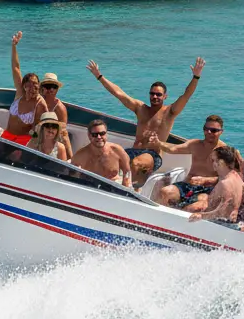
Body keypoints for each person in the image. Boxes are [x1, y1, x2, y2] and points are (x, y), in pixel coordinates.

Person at [86, 56, 206, 188]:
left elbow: (186, 95)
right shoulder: (140, 109)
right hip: (133, 151)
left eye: (158, 95)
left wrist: (196, 77)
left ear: (165, 96)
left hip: (152, 156)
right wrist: (99, 76)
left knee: (136, 164)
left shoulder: (170, 112)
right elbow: (118, 93)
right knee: (105, 158)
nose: (155, 97)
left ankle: (132, 190)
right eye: (152, 93)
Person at [151, 114, 227, 211]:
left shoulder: (224, 151)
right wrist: (158, 143)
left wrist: (206, 180)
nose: (208, 132)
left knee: (196, 207)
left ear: (221, 132)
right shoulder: (194, 144)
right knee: (165, 192)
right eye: (206, 129)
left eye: (213, 130)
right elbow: (173, 149)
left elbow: (228, 177)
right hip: (187, 185)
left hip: (207, 190)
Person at [3, 31, 49, 146]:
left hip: (24, 139)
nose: (32, 88)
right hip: (8, 134)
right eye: (29, 85)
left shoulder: (39, 103)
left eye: (35, 84)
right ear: (24, 86)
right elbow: (15, 68)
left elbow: (42, 128)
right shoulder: (20, 93)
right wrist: (14, 46)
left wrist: (30, 141)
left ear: (39, 85)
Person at [187, 146, 243, 223]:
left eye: (214, 160)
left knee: (190, 208)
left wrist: (201, 215)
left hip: (215, 222)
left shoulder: (225, 184)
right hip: (215, 214)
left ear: (222, 162)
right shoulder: (235, 175)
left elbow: (222, 212)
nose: (212, 163)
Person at [72, 119, 132, 187]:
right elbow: (71, 175)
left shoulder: (117, 151)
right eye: (95, 134)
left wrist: (125, 188)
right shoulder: (80, 155)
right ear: (89, 135)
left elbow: (127, 172)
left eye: (102, 133)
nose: (99, 137)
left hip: (113, 187)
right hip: (90, 187)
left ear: (106, 133)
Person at [38, 72, 73, 159]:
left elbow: (63, 133)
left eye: (54, 87)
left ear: (57, 89)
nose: (51, 90)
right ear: (42, 88)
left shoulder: (60, 108)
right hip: (38, 133)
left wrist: (70, 157)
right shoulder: (38, 101)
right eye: (48, 86)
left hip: (53, 136)